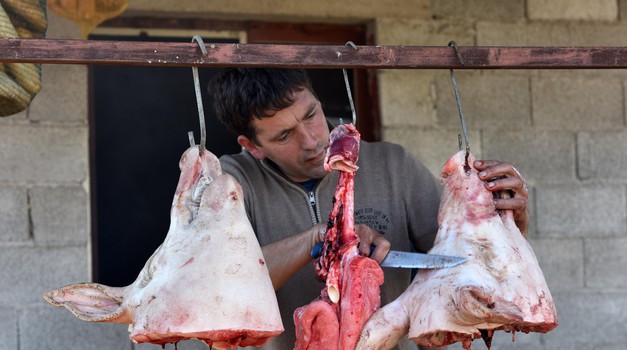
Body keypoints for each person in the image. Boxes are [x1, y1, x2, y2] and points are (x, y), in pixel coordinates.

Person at [209, 68, 529, 350]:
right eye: (284, 135)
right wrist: (320, 238)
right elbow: (222, 286)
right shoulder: (232, 185)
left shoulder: (393, 165)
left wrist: (507, 222)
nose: (310, 141)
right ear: (252, 146)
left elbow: (470, 261)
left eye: (310, 115)